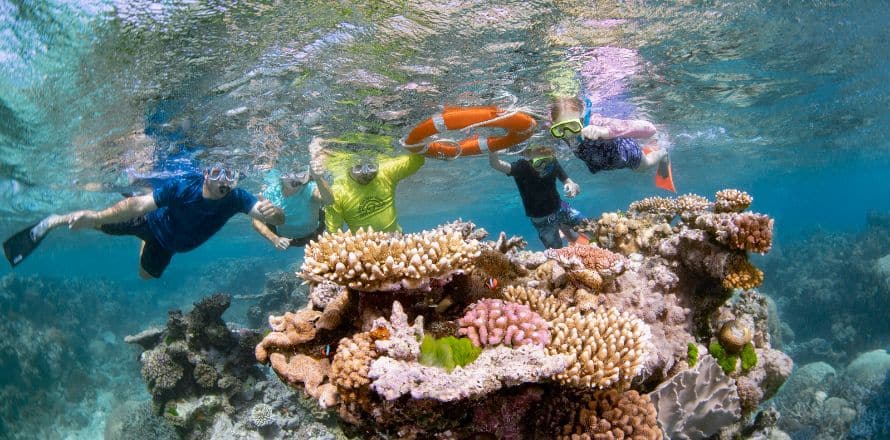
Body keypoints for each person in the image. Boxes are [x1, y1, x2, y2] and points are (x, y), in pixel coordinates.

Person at [27, 165, 282, 279]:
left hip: (168, 245)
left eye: (231, 175)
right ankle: (54, 220)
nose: (224, 181)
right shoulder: (183, 186)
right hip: (148, 222)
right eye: (217, 172)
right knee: (97, 224)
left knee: (145, 276)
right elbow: (137, 206)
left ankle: (142, 242)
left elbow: (273, 216)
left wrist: (275, 214)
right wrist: (95, 216)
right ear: (206, 174)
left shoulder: (236, 198)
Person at [549, 96, 675, 192]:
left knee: (643, 167)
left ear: (583, 119)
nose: (568, 134)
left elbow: (649, 128)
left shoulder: (596, 122)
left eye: (573, 126)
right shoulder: (558, 130)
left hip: (623, 152)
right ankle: (651, 148)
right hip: (599, 160)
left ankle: (663, 154)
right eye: (560, 128)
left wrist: (605, 131)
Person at [488, 146, 586, 249]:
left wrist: (572, 186)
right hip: (541, 218)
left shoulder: (552, 163)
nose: (544, 167)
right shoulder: (522, 167)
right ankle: (564, 229)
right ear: (527, 156)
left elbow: (567, 180)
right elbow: (496, 164)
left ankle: (565, 229)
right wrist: (493, 146)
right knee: (556, 249)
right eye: (538, 163)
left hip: (560, 206)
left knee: (585, 224)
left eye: (547, 161)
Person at [252, 139, 334, 249]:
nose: (293, 177)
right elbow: (256, 222)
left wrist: (319, 179)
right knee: (269, 215)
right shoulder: (271, 192)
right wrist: (274, 239)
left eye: (299, 172)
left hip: (315, 234)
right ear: (280, 173)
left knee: (323, 210)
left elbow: (330, 201)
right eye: (287, 173)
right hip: (285, 238)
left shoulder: (310, 187)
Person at [322, 150, 425, 233]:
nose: (366, 173)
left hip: (397, 241)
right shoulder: (338, 191)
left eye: (371, 167)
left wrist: (417, 143)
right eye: (358, 167)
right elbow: (333, 232)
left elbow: (416, 160)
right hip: (365, 252)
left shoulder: (386, 172)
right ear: (348, 166)